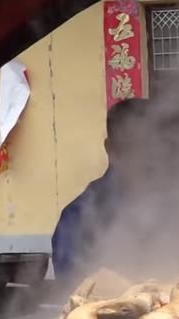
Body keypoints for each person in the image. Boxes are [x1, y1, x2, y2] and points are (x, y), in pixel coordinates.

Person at [51, 98, 150, 286]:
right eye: (135, 147)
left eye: (155, 147)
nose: (147, 158)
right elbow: (72, 292)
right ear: (110, 149)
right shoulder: (77, 218)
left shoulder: (176, 206)